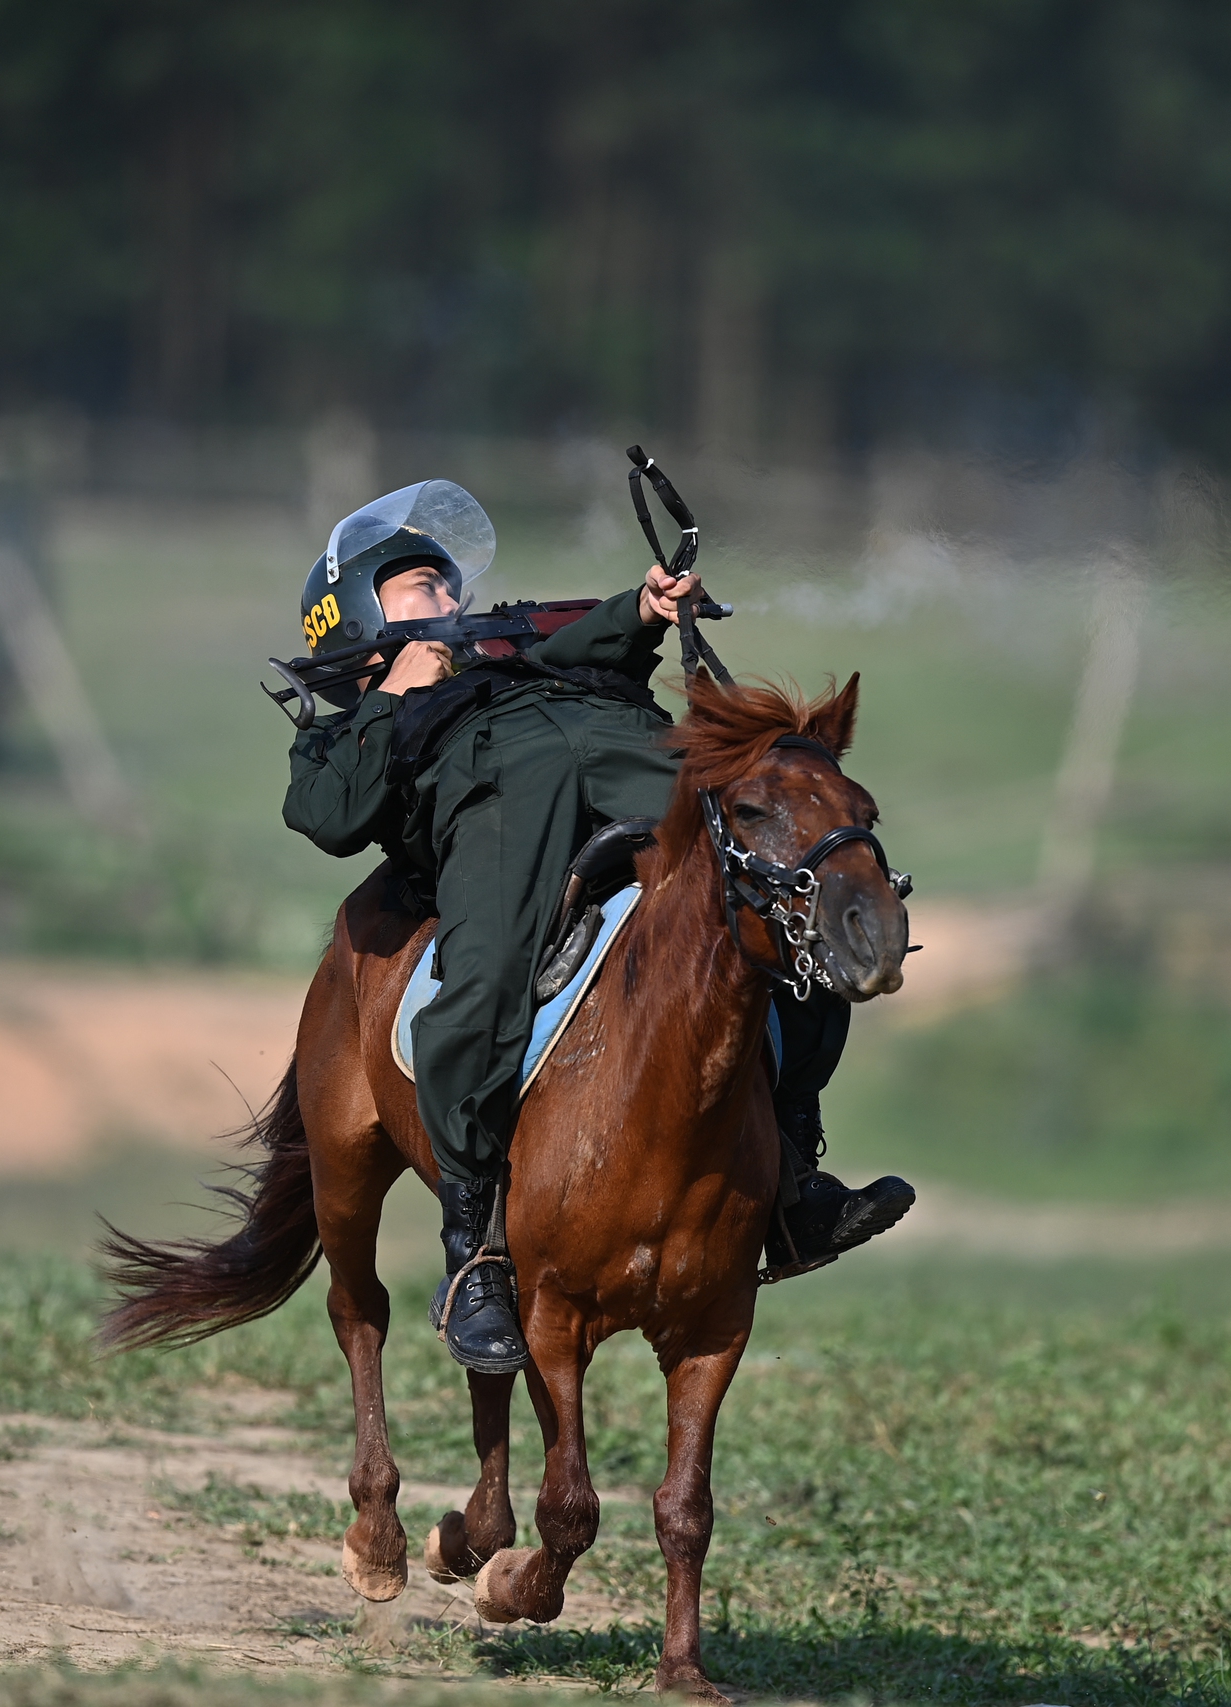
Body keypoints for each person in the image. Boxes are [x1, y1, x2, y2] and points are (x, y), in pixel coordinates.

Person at [282, 480, 912, 1374]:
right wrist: (394, 696)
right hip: (498, 797)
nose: (449, 600)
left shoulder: (497, 650)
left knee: (775, 911)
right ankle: (476, 1253)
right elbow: (330, 814)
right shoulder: (354, 724)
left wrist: (645, 608)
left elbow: (581, 642)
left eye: (448, 585)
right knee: (486, 981)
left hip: (630, 753)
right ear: (356, 616)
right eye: (423, 586)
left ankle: (795, 1185)